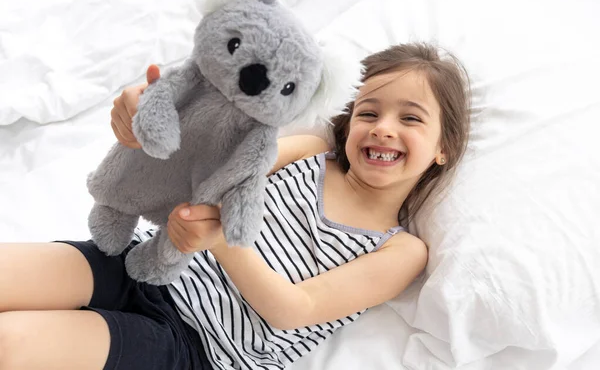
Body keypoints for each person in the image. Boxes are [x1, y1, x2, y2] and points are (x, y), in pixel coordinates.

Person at [0, 42, 471, 370]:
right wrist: (149, 122)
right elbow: (205, 168)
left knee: (11, 346)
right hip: (144, 263)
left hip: (196, 347)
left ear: (441, 149)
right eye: (368, 112)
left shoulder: (402, 250)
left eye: (410, 118)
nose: (383, 127)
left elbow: (295, 309)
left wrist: (222, 242)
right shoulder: (308, 152)